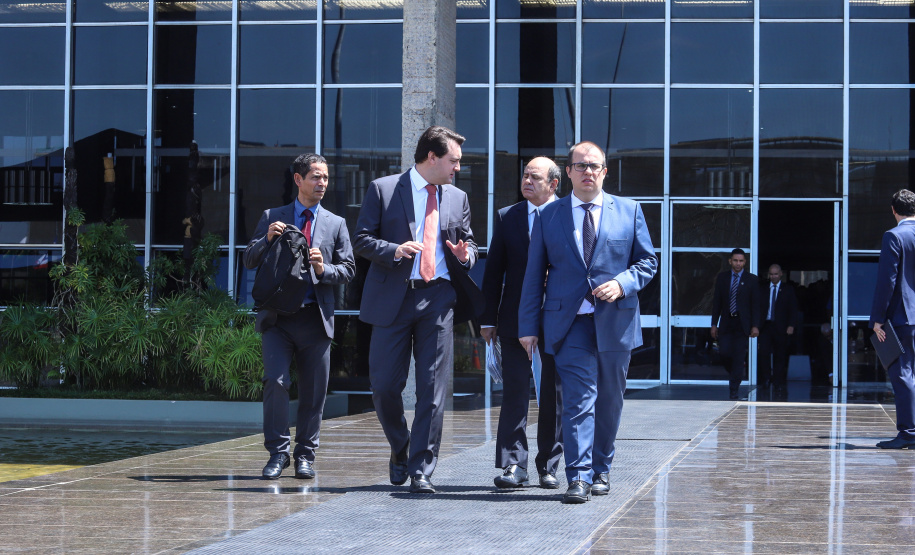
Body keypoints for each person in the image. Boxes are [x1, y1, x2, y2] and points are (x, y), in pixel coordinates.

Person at [518, 141, 657, 504]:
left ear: (605, 171)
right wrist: (527, 326)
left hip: (615, 323)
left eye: (594, 166)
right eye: (580, 166)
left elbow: (647, 263)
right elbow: (534, 276)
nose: (587, 172)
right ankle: (577, 477)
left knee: (609, 401)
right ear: (568, 173)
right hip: (569, 324)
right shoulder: (550, 215)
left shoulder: (629, 211)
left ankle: (601, 470)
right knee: (579, 401)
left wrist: (622, 283)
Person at [353, 125, 485, 493]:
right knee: (383, 386)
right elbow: (361, 239)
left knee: (433, 388)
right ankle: (401, 446)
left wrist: (467, 255)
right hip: (393, 298)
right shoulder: (384, 188)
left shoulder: (457, 197)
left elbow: (470, 243)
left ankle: (422, 468)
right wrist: (393, 250)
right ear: (432, 157)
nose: (458, 168)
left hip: (438, 299)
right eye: (453, 160)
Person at [243, 153, 355, 479]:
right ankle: (277, 454)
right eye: (316, 177)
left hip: (315, 319)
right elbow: (248, 260)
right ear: (298, 180)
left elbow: (348, 270)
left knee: (314, 391)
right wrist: (265, 240)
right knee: (275, 382)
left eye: (325, 178)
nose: (322, 183)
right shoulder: (272, 216)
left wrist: (323, 268)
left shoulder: (335, 224)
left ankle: (305, 455)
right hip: (278, 320)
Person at [481, 156, 563, 490]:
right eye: (524, 175)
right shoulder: (508, 216)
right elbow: (493, 271)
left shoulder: (568, 213)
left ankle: (549, 464)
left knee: (553, 392)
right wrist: (488, 319)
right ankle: (514, 463)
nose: (526, 181)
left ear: (554, 184)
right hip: (514, 317)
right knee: (515, 388)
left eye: (535, 177)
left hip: (558, 316)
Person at [870, 189, 915, 449]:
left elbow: (887, 280)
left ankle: (908, 432)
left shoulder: (894, 236)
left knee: (902, 373)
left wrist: (878, 318)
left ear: (893, 210)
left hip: (903, 318)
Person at [710, 248, 760, 400]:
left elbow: (755, 304)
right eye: (736, 260)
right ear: (730, 261)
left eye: (741, 261)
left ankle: (734, 390)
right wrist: (714, 324)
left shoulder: (752, 279)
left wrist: (755, 325)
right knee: (724, 353)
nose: (738, 264)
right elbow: (717, 302)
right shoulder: (723, 278)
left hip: (742, 324)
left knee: (738, 357)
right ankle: (734, 373)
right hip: (726, 322)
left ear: (745, 262)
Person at [758, 264, 798, 398]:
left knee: (779, 355)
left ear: (781, 274)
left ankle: (777, 382)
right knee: (763, 352)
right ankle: (766, 379)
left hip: (781, 327)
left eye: (775, 274)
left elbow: (793, 309)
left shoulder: (788, 289)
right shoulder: (763, 289)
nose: (773, 276)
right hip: (766, 326)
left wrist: (791, 325)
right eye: (771, 274)